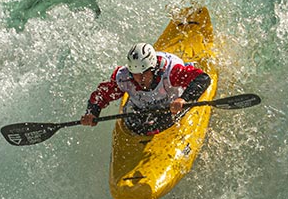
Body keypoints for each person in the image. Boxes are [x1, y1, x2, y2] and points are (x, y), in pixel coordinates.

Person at [81, 43, 212, 135]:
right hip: (142, 111)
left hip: (174, 107)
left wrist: (183, 99)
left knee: (165, 119)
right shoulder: (124, 77)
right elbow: (102, 94)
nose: (140, 79)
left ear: (153, 69)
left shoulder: (171, 72)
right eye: (135, 74)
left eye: (144, 74)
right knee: (138, 125)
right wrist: (92, 112)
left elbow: (202, 78)